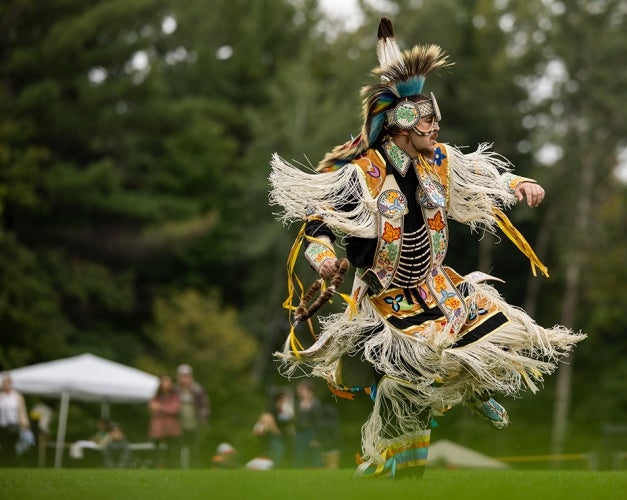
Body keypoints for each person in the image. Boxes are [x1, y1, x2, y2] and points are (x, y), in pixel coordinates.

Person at [269, 17, 585, 479]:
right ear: (400, 122)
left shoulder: (438, 159)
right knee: (408, 378)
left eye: (436, 120)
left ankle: (472, 388)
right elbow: (316, 226)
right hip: (381, 301)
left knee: (484, 333)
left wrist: (518, 182)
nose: (436, 128)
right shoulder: (363, 173)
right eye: (427, 120)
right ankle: (399, 456)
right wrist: (325, 263)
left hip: (435, 285)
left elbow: (480, 173)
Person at [176, 363, 210, 469]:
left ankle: (194, 470)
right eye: (183, 376)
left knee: (194, 449)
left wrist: (202, 417)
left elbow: (205, 406)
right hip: (178, 426)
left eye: (187, 376)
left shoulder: (197, 389)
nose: (185, 379)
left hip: (195, 425)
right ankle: (178, 470)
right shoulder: (175, 390)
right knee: (178, 450)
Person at [148, 375, 182, 468]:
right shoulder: (156, 397)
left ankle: (173, 469)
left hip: (172, 429)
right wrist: (166, 409)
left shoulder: (175, 396)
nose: (165, 385)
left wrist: (161, 407)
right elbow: (152, 409)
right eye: (164, 382)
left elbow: (175, 409)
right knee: (156, 452)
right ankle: (157, 468)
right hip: (158, 429)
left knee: (172, 451)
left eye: (168, 382)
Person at [0, 373, 30, 467]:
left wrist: (24, 423)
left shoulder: (17, 396)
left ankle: (12, 464)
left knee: (12, 445)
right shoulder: (1, 396)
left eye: (6, 383)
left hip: (14, 424)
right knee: (3, 445)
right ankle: (4, 464)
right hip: (2, 425)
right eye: (3, 383)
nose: (4, 385)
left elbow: (22, 410)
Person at [293, 382, 323, 468]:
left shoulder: (316, 403)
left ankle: (316, 473)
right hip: (299, 432)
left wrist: (317, 437)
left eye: (301, 389)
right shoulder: (297, 402)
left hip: (312, 432)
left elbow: (318, 421)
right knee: (299, 454)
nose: (299, 392)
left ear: (309, 391)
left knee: (314, 453)